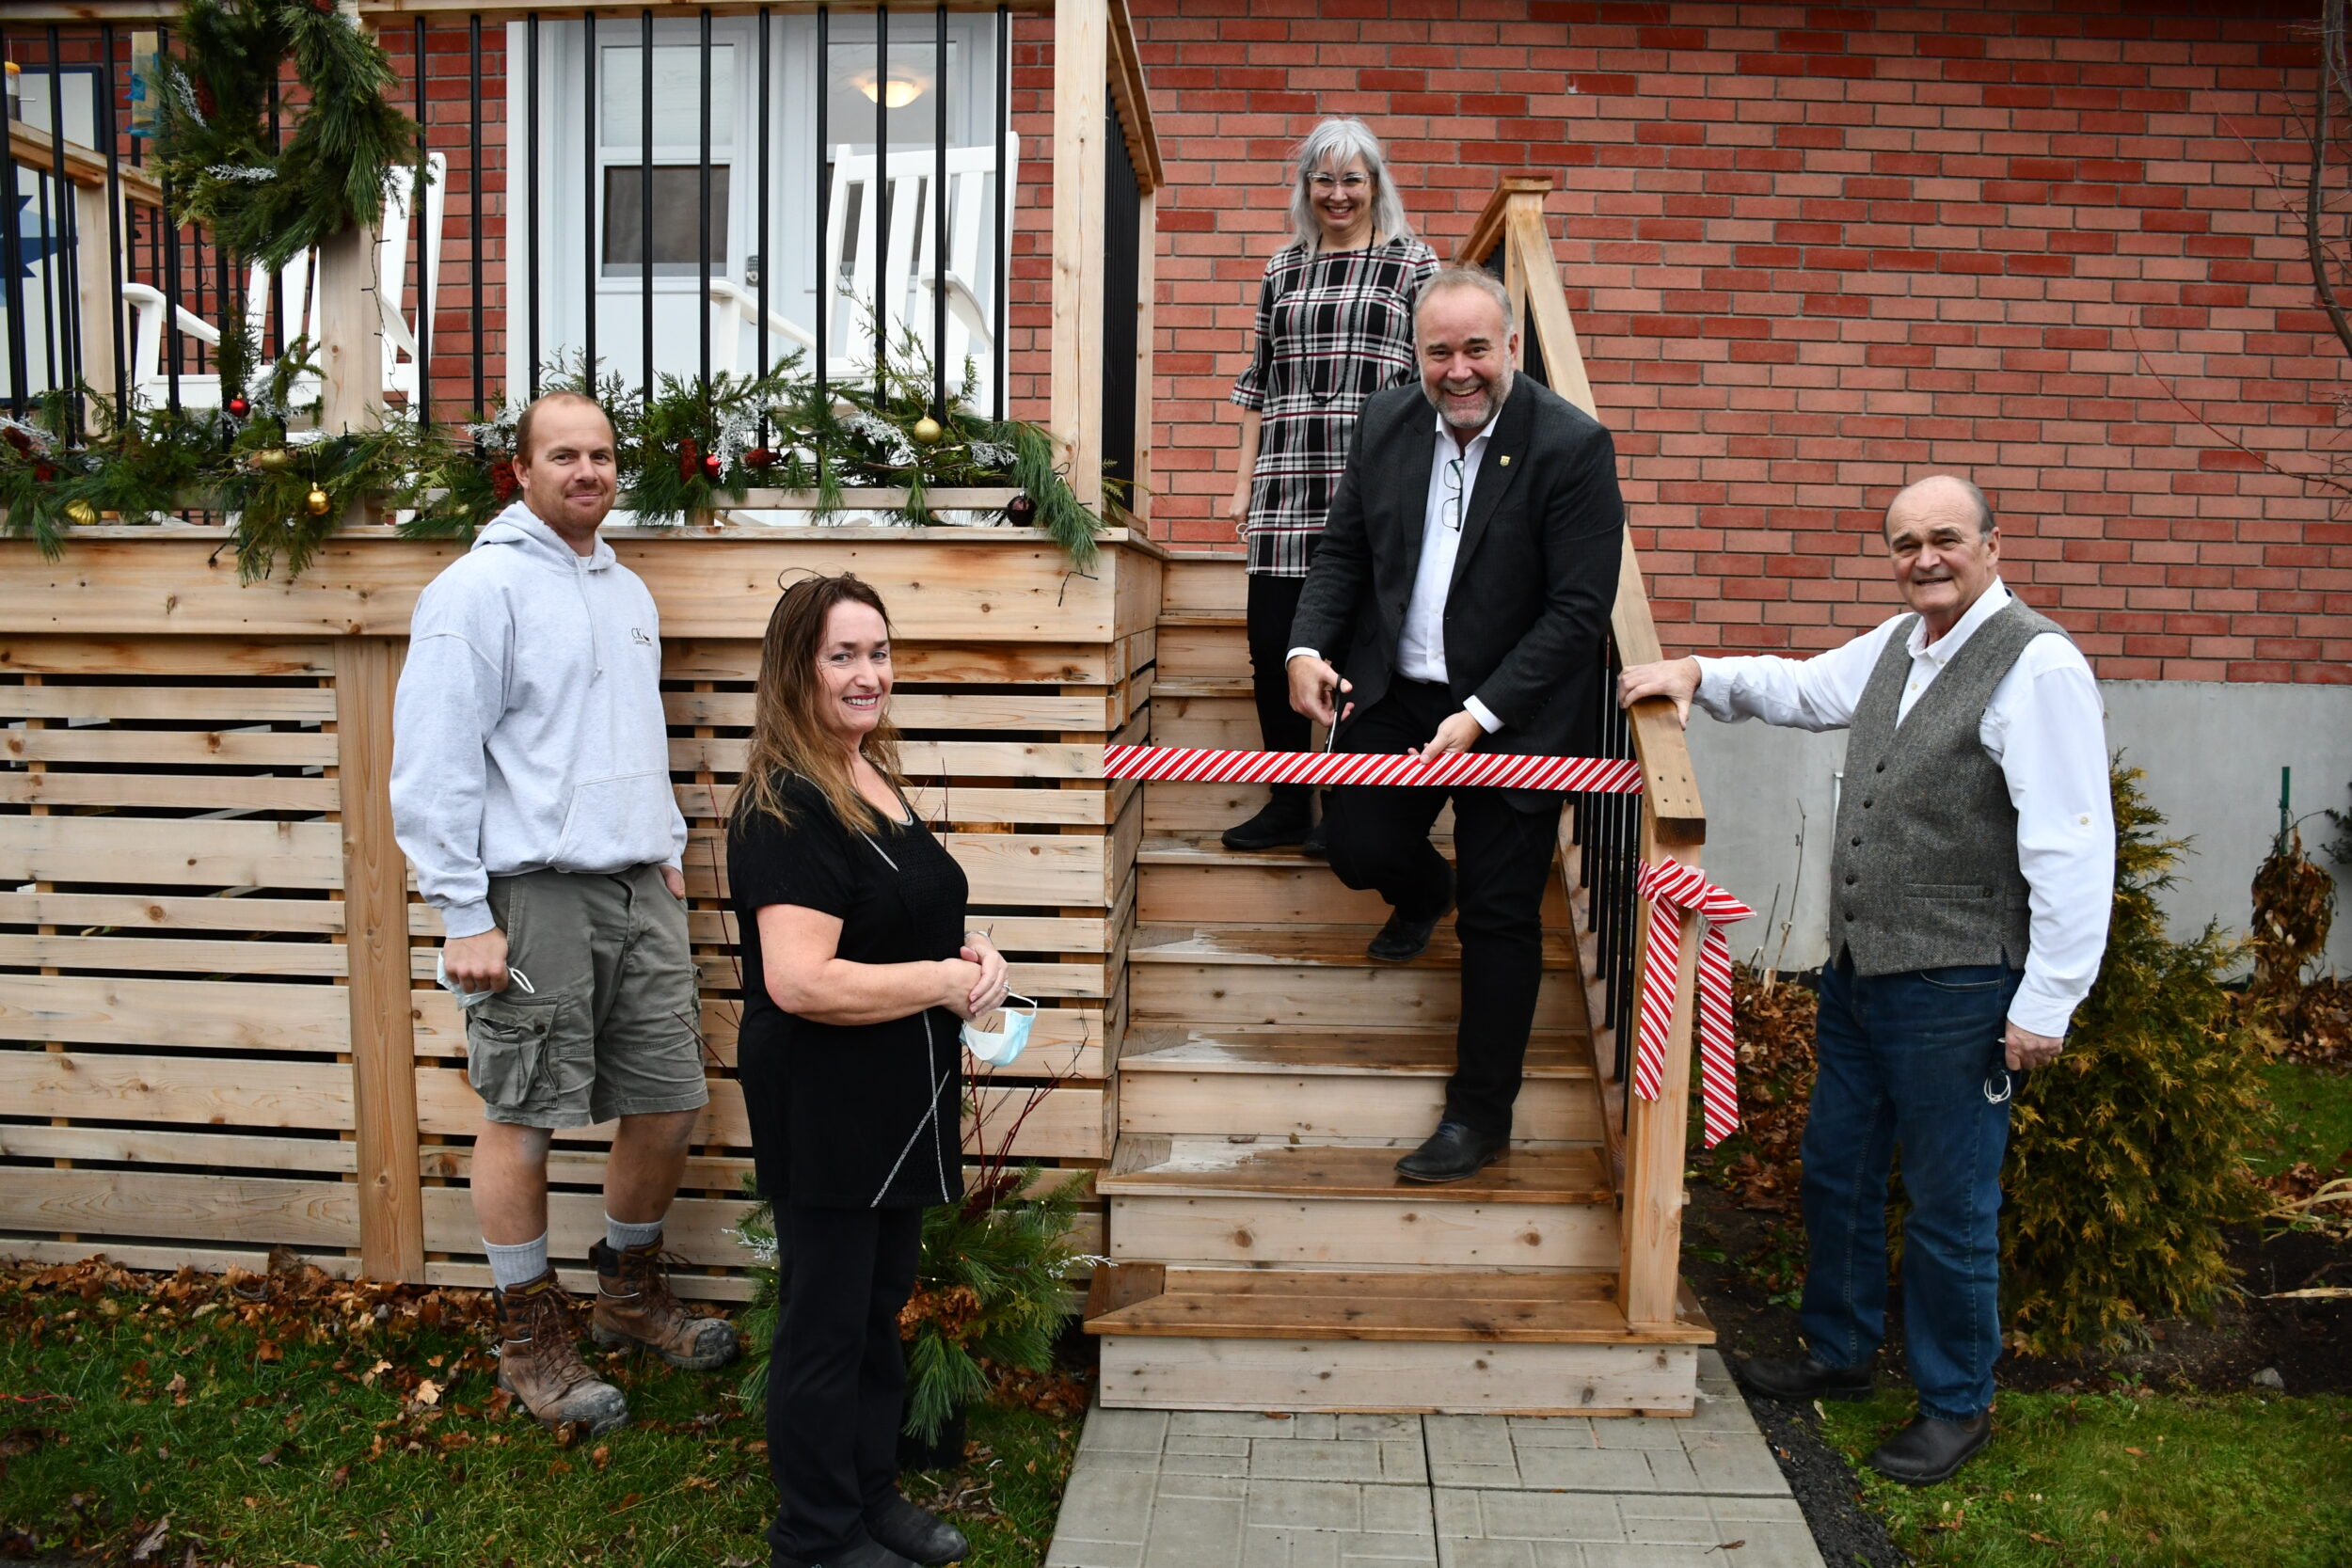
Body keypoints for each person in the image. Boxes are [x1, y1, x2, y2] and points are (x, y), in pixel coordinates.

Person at [1616, 474, 2113, 1486]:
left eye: (1944, 538)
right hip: (1863, 973)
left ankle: (1954, 1400)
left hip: (1962, 982)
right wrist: (1698, 672)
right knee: (1835, 1168)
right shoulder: (1898, 645)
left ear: (1990, 543)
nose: (1923, 558)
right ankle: (1836, 1351)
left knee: (1947, 1203)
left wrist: (2046, 999)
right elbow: (1799, 689)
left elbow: (2071, 840)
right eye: (1903, 544)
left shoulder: (2038, 664)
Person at [390, 389, 739, 1434]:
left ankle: (628, 1295)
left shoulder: (625, 588)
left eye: (600, 455)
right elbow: (433, 764)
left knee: (671, 1098)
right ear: (522, 470)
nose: (587, 471)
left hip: (637, 883)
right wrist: (463, 910)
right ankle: (528, 1331)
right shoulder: (477, 590)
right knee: (526, 1110)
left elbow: (633, 731)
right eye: (563, 455)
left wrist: (668, 847)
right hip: (529, 890)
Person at [1288, 266, 1627, 1184]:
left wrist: (1479, 716)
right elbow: (1344, 550)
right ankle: (1418, 888)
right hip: (1397, 689)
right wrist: (1304, 648)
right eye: (1439, 350)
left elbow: (1576, 611)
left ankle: (1480, 1114)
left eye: (1477, 348)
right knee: (1354, 841)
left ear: (1510, 347)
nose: (1458, 369)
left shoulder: (1571, 448)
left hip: (1514, 713)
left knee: (1502, 913)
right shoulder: (1388, 422)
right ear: (1416, 354)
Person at [727, 573, 1010, 1568]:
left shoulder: (869, 772)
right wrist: (937, 979)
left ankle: (870, 1496)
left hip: (900, 1088)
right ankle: (813, 1534)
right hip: (827, 1097)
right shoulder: (786, 804)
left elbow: (907, 914)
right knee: (827, 1319)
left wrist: (975, 956)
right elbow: (799, 980)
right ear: (795, 670)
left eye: (877, 652)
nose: (866, 674)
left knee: (878, 1304)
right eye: (841, 655)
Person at [1223, 118, 1439, 856]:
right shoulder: (1282, 269)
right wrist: (1241, 483)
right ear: (1305, 186)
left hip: (1373, 490)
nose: (1337, 193)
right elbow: (1259, 384)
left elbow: (1431, 383)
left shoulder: (1414, 264)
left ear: (1376, 183)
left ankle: (1343, 807)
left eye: (1352, 178)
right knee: (1270, 643)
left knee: (1354, 650)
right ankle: (1288, 801)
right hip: (1287, 480)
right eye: (1324, 179)